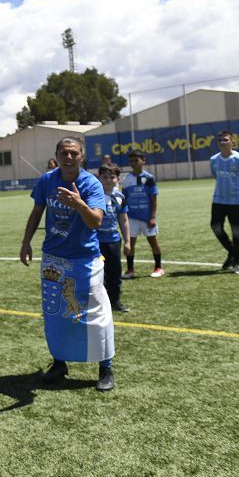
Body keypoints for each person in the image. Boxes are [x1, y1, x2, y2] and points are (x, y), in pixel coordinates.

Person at [20, 137, 115, 392]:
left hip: (85, 259)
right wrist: (26, 242)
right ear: (57, 154)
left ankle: (105, 367)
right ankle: (59, 363)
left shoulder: (91, 184)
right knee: (55, 314)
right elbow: (37, 212)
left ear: (82, 156)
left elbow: (96, 222)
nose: (69, 157)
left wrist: (79, 204)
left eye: (74, 153)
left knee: (97, 314)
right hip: (53, 258)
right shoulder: (47, 181)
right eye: (64, 152)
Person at [209, 131, 239, 274]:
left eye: (226, 140)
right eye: (220, 140)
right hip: (219, 200)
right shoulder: (214, 160)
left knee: (237, 232)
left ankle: (237, 262)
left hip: (236, 202)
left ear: (232, 142)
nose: (222, 142)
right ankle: (233, 252)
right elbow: (216, 175)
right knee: (216, 227)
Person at [121, 149, 164, 278]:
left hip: (146, 217)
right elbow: (124, 198)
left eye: (136, 160)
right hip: (132, 217)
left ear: (143, 161)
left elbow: (153, 199)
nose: (133, 163)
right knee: (131, 243)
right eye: (131, 161)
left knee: (153, 241)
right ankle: (130, 270)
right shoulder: (127, 179)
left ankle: (158, 267)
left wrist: (152, 217)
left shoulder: (149, 178)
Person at [97, 163, 131, 313]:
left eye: (112, 177)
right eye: (104, 177)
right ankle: (98, 304)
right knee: (99, 273)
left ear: (118, 179)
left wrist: (128, 241)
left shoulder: (120, 197)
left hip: (114, 241)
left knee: (115, 272)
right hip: (97, 242)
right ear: (99, 178)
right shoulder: (94, 195)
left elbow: (123, 220)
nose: (108, 180)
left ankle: (115, 301)